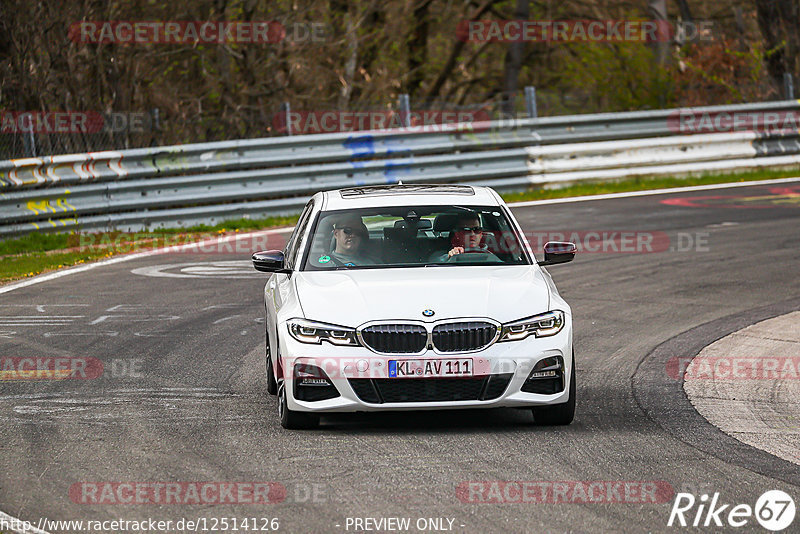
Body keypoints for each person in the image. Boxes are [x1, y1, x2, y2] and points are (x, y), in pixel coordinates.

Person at [429, 211, 501, 263]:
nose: (472, 234)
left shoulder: (496, 251)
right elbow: (432, 262)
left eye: (476, 230)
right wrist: (448, 257)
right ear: (457, 234)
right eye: (466, 230)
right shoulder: (444, 254)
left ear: (481, 233)